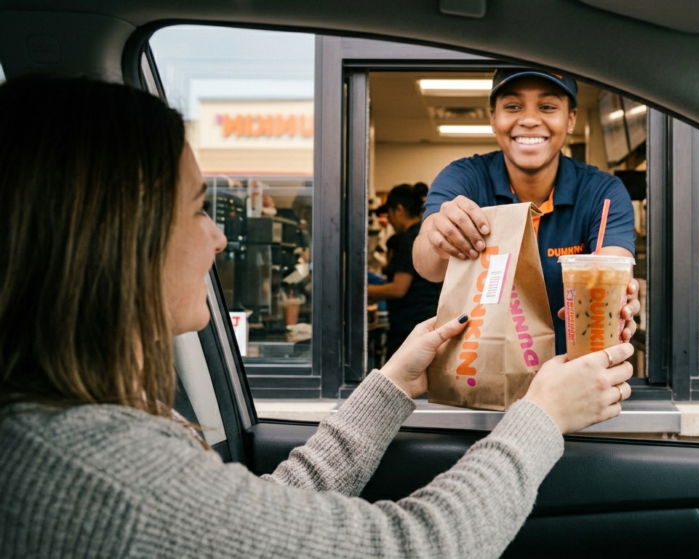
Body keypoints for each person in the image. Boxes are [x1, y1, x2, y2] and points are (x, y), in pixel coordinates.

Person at [0, 76, 635, 558]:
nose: (220, 241)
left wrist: (392, 385)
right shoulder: (115, 480)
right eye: (198, 209)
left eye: (548, 106)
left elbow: (270, 508)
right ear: (114, 239)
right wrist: (543, 417)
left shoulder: (90, 429)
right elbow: (414, 546)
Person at [413, 68, 640, 353]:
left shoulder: (603, 192)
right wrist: (442, 236)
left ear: (570, 119)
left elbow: (614, 269)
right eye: (512, 106)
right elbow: (426, 265)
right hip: (479, 375)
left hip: (572, 376)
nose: (530, 120)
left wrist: (621, 299)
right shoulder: (463, 178)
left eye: (547, 107)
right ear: (493, 119)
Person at [369, 184, 441, 353]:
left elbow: (398, 289)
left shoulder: (407, 240)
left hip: (410, 325)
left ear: (399, 210)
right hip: (428, 318)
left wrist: (363, 292)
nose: (390, 221)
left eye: (389, 214)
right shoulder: (425, 234)